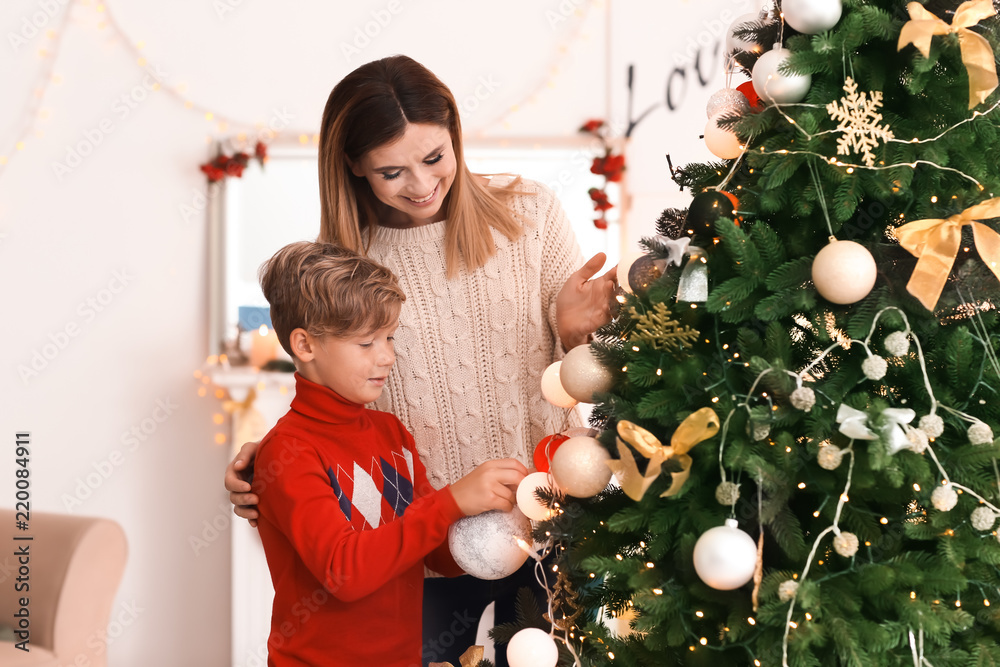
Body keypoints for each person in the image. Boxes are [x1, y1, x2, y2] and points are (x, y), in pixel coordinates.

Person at [225, 55, 616, 666]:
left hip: (548, 528)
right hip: (424, 563)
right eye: (390, 171)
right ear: (353, 166)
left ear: (454, 133)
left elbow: (584, 379)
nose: (421, 183)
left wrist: (572, 337)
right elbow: (335, 400)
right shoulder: (350, 264)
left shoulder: (530, 214)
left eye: (435, 157)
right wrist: (267, 463)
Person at [251, 240, 528, 667]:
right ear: (304, 346)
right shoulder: (287, 452)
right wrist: (450, 501)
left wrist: (497, 526)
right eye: (366, 343)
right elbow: (344, 572)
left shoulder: (390, 432)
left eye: (389, 337)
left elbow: (433, 553)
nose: (387, 356)